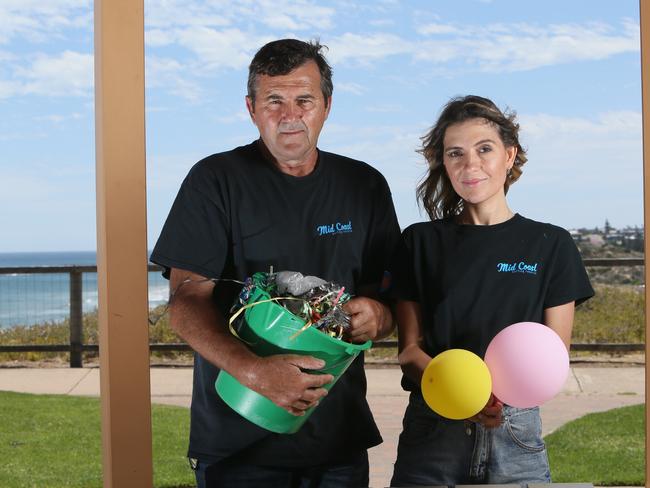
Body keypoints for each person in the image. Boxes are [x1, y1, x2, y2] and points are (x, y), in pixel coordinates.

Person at [150, 38, 401, 487]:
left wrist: (380, 315)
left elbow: (390, 298)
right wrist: (254, 371)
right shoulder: (215, 180)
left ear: (326, 105)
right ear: (251, 108)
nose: (289, 115)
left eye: (304, 99)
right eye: (274, 101)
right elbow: (186, 302)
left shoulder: (365, 185)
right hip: (238, 440)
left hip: (337, 441)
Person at [389, 95, 594, 486]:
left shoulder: (551, 244)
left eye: (484, 149)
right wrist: (461, 394)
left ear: (510, 154)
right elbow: (410, 351)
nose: (471, 165)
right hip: (433, 428)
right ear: (443, 163)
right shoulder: (419, 242)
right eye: (455, 153)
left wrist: (495, 397)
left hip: (516, 434)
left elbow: (554, 353)